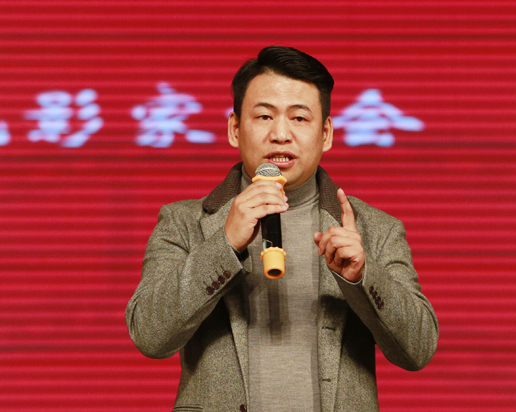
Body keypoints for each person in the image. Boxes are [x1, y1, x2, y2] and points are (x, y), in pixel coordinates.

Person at [126, 46, 438, 412]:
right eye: (264, 116)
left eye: (299, 118)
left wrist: (364, 277)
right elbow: (149, 335)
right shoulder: (183, 223)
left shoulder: (375, 230)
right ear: (234, 129)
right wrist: (223, 245)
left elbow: (418, 350)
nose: (280, 134)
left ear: (326, 134)